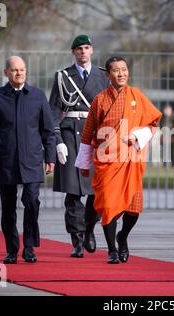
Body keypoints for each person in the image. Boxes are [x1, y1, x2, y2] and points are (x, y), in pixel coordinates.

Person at [75, 56, 162, 264]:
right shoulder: (100, 99)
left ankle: (122, 236)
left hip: (131, 159)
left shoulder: (137, 96)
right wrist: (84, 164)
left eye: (124, 69)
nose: (121, 73)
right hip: (106, 160)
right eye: (116, 70)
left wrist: (137, 136)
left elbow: (153, 123)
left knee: (133, 210)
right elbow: (88, 132)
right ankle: (112, 250)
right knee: (108, 205)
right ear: (108, 75)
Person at [0, 56, 56, 264]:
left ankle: (29, 247)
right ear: (6, 72)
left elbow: (48, 131)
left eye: (22, 69)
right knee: (8, 206)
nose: (19, 73)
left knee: (32, 201)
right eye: (14, 70)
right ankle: (12, 250)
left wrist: (50, 157)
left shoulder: (38, 96)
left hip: (32, 160)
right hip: (5, 161)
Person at [49, 35, 109, 258]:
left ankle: (89, 230)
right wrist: (58, 142)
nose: (83, 52)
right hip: (70, 135)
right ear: (73, 52)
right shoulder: (63, 76)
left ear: (92, 50)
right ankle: (77, 239)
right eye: (78, 49)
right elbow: (53, 113)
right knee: (73, 192)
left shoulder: (103, 75)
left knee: (96, 190)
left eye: (86, 48)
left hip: (95, 137)